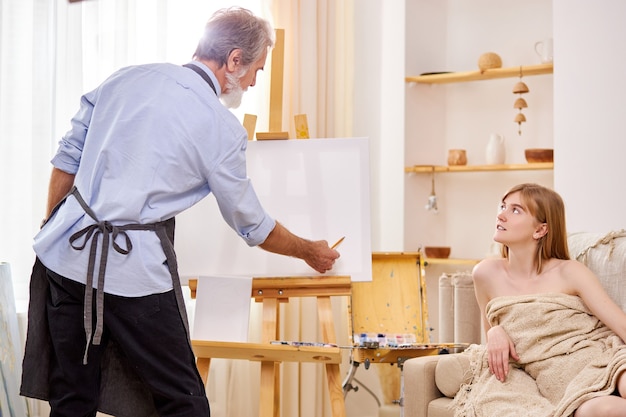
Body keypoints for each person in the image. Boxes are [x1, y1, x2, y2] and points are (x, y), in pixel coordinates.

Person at [20, 7, 340, 417]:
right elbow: (252, 225)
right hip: (133, 274)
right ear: (234, 60)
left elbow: (67, 159)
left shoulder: (127, 76)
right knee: (183, 401)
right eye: (256, 69)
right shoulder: (220, 127)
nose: (254, 81)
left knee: (72, 397)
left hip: (64, 259)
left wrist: (56, 225)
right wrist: (309, 250)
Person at [454, 183, 626, 417]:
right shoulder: (485, 274)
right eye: (503, 206)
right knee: (598, 411)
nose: (501, 214)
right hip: (561, 379)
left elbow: (620, 324)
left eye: (515, 210)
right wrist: (494, 332)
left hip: (602, 357)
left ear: (540, 230)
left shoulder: (570, 271)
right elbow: (493, 337)